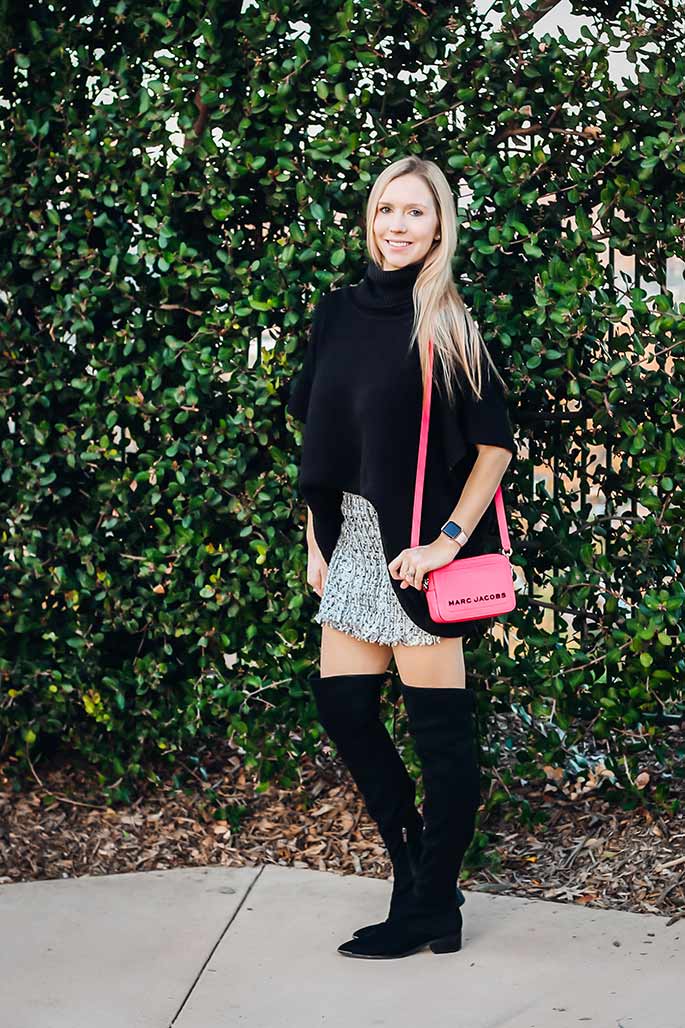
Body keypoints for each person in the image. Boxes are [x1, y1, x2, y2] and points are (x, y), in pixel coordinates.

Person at [286, 155, 516, 959]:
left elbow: (493, 448)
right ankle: (417, 876)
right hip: (350, 541)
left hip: (419, 555)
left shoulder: (447, 324)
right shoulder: (336, 312)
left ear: (439, 225)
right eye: (387, 208)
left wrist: (445, 542)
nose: (397, 225)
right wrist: (315, 539)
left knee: (439, 739)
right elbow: (320, 437)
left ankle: (429, 908)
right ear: (370, 218)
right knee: (344, 710)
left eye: (415, 211)